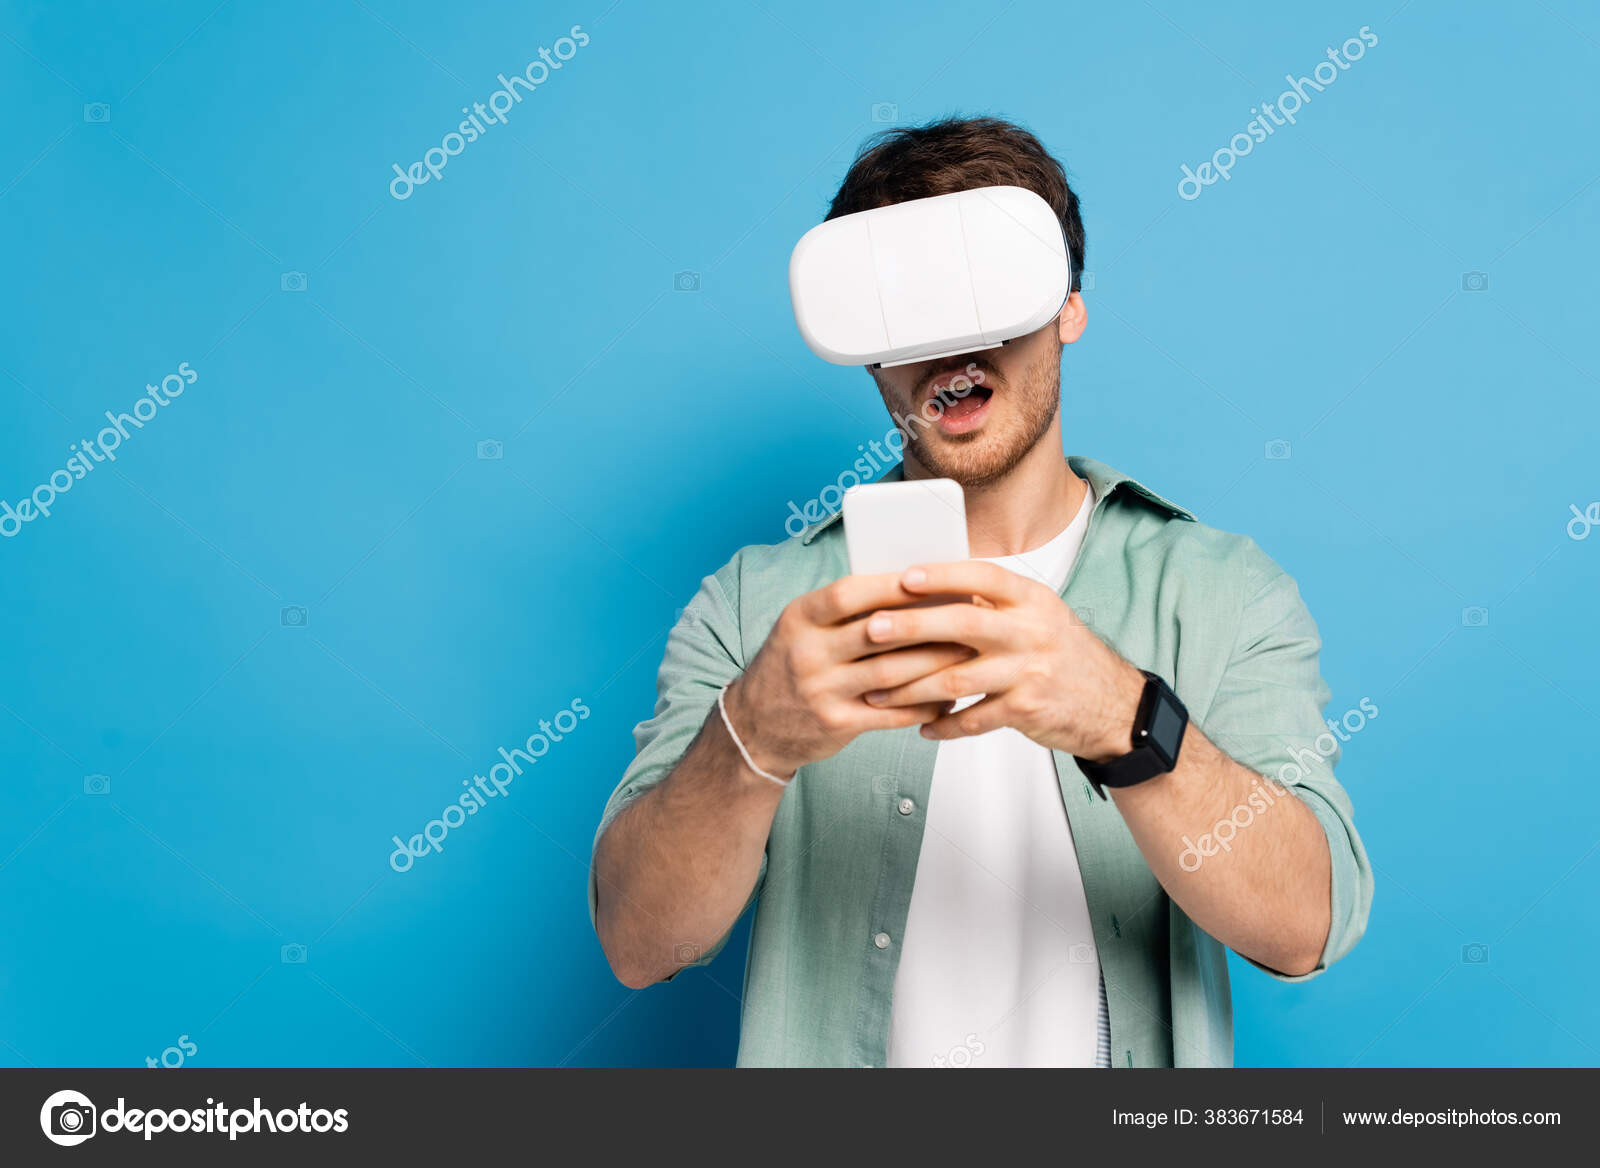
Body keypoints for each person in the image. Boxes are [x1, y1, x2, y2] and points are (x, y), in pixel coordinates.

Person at [588, 116, 1371, 1068]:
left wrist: (1125, 720)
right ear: (870, 353)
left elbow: (1304, 927)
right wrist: (753, 734)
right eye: (908, 318)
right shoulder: (754, 605)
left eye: (990, 302)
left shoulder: (1223, 593)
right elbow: (638, 943)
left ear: (1068, 306)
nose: (954, 351)